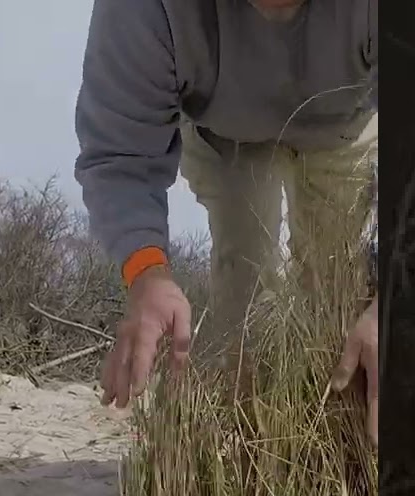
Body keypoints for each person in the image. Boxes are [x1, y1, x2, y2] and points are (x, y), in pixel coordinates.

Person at [73, 0, 379, 444]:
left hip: (346, 123)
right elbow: (120, 153)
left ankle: (335, 460)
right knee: (245, 298)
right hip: (226, 134)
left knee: (338, 297)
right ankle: (242, 450)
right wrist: (146, 274)